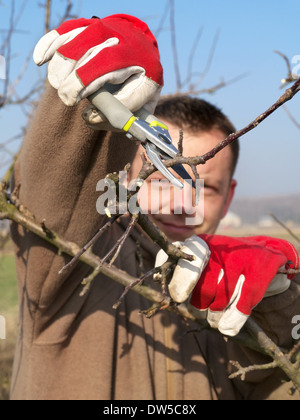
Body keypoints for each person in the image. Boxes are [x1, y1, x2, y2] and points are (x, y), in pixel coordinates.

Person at [10, 14, 300, 400]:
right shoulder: (75, 261)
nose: (182, 203)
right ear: (125, 177)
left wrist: (280, 303)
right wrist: (95, 103)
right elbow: (57, 194)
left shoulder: (231, 294)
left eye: (205, 186)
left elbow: (281, 385)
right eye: (162, 178)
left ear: (229, 197)